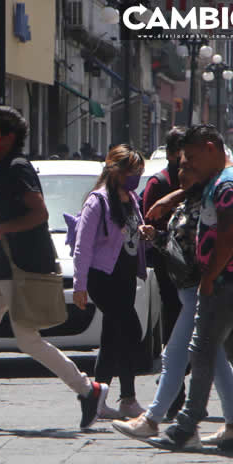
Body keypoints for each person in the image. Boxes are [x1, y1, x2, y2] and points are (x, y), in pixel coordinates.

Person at [0, 105, 104, 431]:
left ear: (10, 138)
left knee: (27, 340)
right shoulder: (0, 169)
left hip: (22, 271)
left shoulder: (17, 168)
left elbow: (40, 214)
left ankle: (88, 389)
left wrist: (4, 229)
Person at [145, 125, 233, 452]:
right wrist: (172, 196)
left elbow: (227, 238)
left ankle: (188, 424)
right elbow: (198, 192)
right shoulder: (220, 180)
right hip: (230, 280)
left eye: (192, 158)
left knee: (201, 351)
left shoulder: (230, 184)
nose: (188, 166)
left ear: (212, 147)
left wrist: (209, 277)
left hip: (225, 281)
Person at [112, 167, 233, 443]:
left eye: (190, 164)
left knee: (174, 356)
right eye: (181, 165)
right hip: (188, 290)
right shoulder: (187, 201)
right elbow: (178, 246)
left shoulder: (206, 202)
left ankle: (153, 419)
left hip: (198, 291)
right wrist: (157, 237)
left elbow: (202, 248)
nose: (183, 170)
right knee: (216, 359)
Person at [71, 144, 147, 420]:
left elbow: (130, 230)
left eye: (139, 172)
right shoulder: (98, 201)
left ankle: (102, 398)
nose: (135, 177)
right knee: (130, 331)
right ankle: (117, 398)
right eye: (132, 171)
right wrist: (80, 286)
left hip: (125, 275)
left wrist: (143, 231)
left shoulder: (132, 198)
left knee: (113, 337)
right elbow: (83, 246)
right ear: (115, 171)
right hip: (103, 277)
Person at [141, 127, 188, 418]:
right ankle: (175, 390)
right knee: (172, 325)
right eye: (184, 153)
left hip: (191, 269)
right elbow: (150, 225)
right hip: (169, 266)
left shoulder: (192, 181)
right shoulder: (159, 183)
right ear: (171, 154)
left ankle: (176, 382)